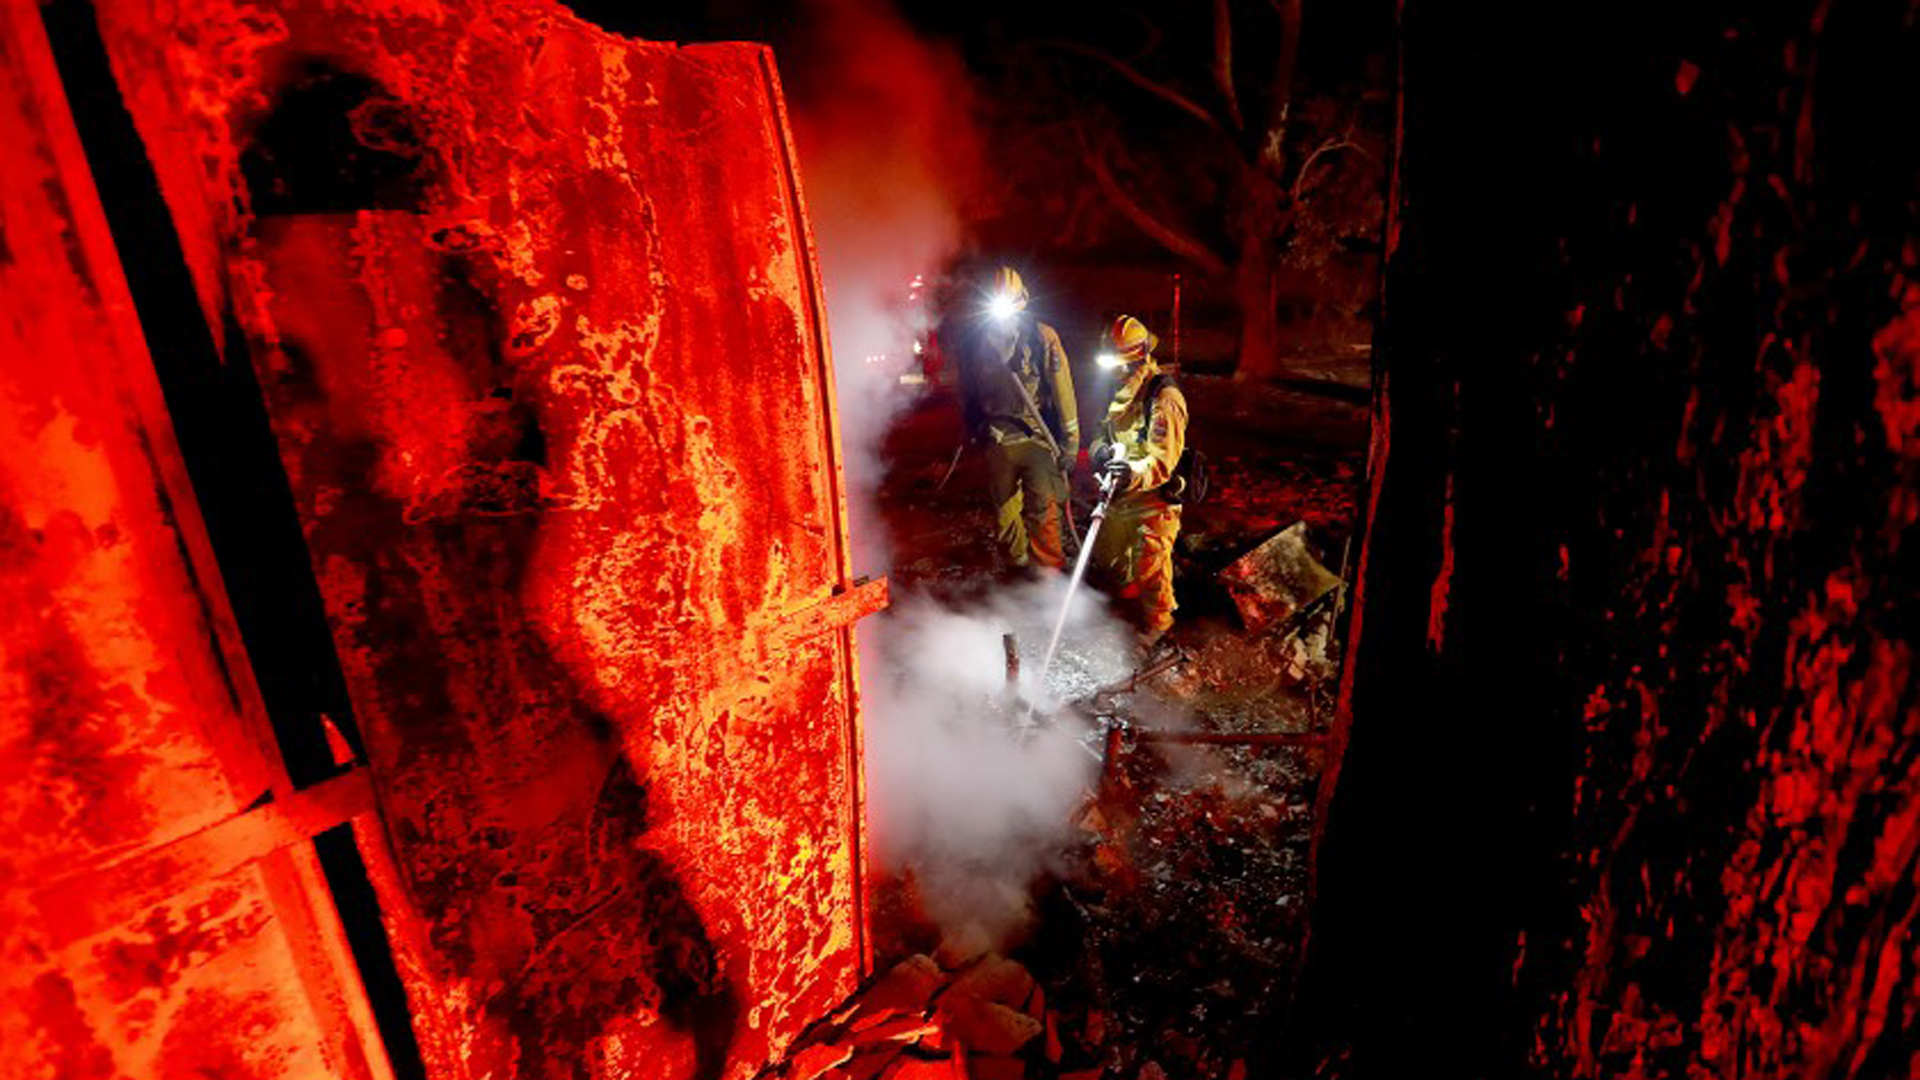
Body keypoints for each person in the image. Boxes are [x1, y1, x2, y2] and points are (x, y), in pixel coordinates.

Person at [955, 267, 1080, 572]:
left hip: (1037, 437)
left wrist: (1071, 444)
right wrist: (971, 429)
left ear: (1021, 299)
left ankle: (1048, 579)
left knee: (1044, 512)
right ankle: (1021, 568)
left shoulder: (1041, 337)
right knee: (1005, 517)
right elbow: (967, 389)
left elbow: (1064, 391)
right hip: (997, 438)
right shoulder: (974, 342)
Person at [1090, 314, 1188, 644]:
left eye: (1121, 366)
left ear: (1139, 358)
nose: (1116, 373)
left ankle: (1159, 624)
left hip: (1155, 495)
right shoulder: (1116, 389)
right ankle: (1129, 599)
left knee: (1151, 565)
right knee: (1109, 555)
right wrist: (1100, 451)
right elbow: (1099, 431)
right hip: (1122, 491)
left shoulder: (1164, 397)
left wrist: (1132, 472)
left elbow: (1163, 461)